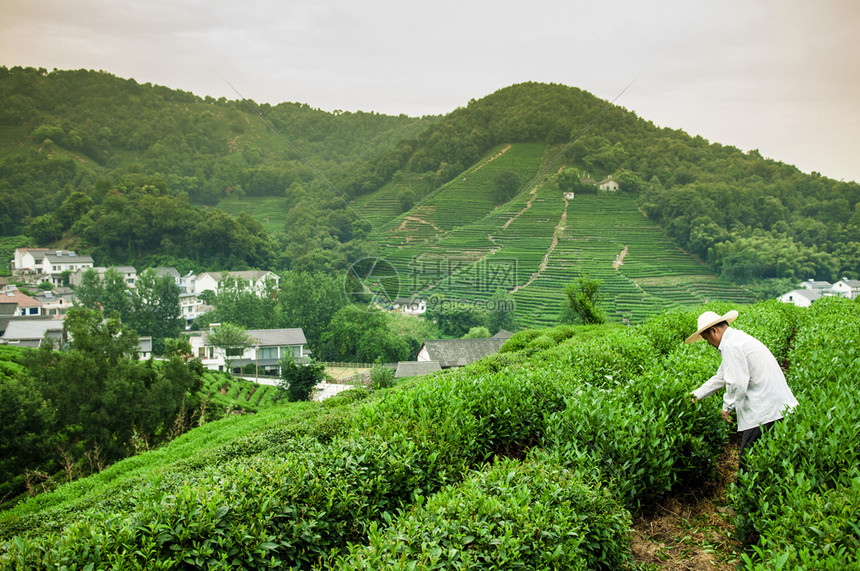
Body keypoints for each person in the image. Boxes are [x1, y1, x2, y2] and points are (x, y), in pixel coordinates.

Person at [686, 309, 798, 472]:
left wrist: (727, 407)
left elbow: (737, 382)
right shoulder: (737, 340)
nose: (708, 343)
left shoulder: (731, 345)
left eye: (706, 338)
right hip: (776, 408)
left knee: (749, 466)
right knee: (768, 462)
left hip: (763, 413)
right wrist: (696, 395)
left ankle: (746, 495)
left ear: (714, 331)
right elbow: (723, 376)